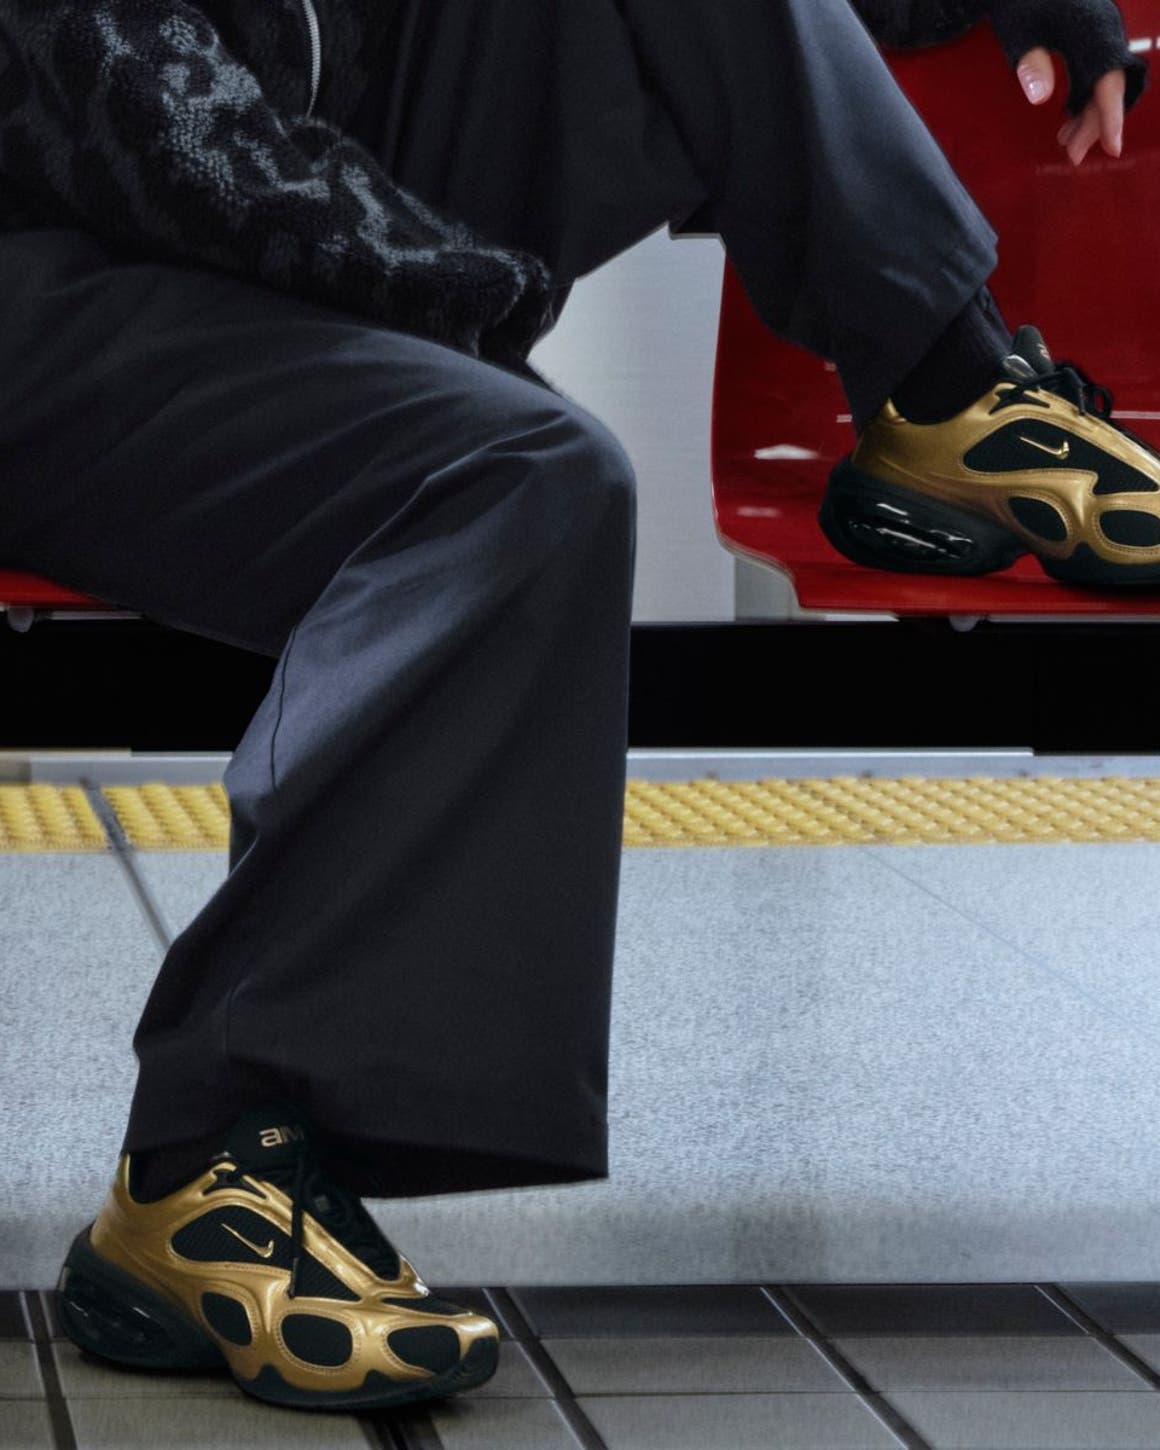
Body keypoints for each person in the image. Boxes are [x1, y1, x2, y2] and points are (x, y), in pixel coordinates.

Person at [0, 0, 1146, 1414]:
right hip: (64, 286)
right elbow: (159, 136)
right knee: (534, 478)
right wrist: (464, 283)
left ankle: (951, 390)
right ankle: (203, 1167)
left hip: (270, 234)